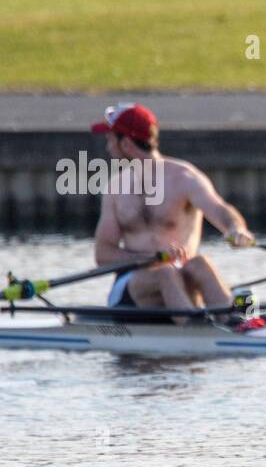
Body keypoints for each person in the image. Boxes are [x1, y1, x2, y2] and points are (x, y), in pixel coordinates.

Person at [90, 102, 256, 320]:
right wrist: (150, 257)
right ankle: (195, 331)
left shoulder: (185, 178)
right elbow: (103, 254)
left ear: (127, 144)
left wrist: (236, 229)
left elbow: (220, 210)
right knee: (166, 273)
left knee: (201, 263)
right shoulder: (116, 188)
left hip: (184, 282)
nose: (108, 147)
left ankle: (238, 326)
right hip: (134, 290)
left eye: (111, 139)